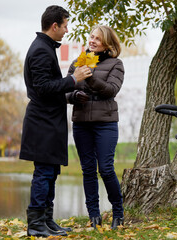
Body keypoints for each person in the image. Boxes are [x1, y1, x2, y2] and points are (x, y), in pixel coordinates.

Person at [19, 5, 92, 237]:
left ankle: (47, 222)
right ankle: (36, 224)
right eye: (65, 25)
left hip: (49, 121)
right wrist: (73, 79)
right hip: (42, 123)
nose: (66, 30)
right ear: (54, 26)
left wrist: (70, 96)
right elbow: (41, 88)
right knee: (43, 173)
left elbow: (50, 89)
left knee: (50, 172)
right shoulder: (41, 49)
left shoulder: (45, 47)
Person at [66, 25, 124, 230]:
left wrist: (89, 78)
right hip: (81, 123)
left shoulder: (116, 64)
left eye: (97, 39)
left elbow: (111, 90)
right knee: (88, 170)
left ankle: (118, 212)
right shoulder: (78, 62)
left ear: (107, 44)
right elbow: (65, 90)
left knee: (106, 169)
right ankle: (94, 215)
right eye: (91, 37)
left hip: (105, 123)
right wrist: (73, 96)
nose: (92, 41)